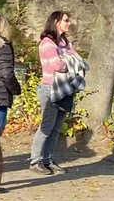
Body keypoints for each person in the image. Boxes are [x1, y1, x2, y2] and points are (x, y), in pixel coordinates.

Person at [30, 10, 80, 175]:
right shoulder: (47, 43)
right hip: (50, 89)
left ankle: (48, 160)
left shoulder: (65, 43)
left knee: (57, 128)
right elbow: (57, 65)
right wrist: (70, 63)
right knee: (46, 127)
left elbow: (79, 61)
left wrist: (69, 61)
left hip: (64, 89)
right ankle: (35, 161)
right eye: (66, 20)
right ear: (56, 22)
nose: (69, 23)